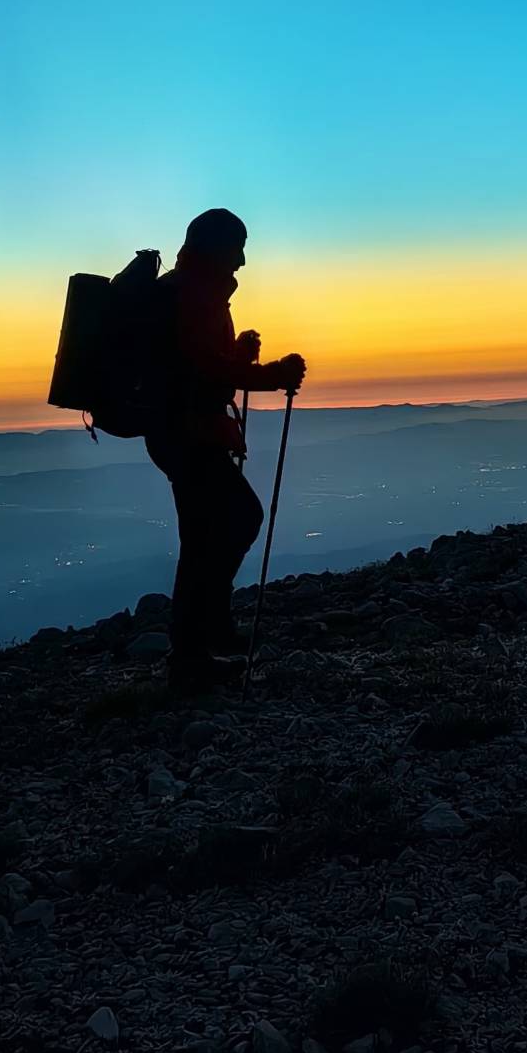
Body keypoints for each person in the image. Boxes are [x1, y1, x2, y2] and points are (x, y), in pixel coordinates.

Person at [143, 208, 306, 692]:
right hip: (188, 435)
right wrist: (269, 374)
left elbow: (201, 365)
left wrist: (239, 356)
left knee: (213, 532)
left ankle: (202, 639)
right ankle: (193, 654)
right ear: (218, 247)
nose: (242, 259)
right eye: (237, 247)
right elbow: (203, 372)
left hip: (179, 433)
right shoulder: (194, 294)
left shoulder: (190, 289)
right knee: (229, 525)